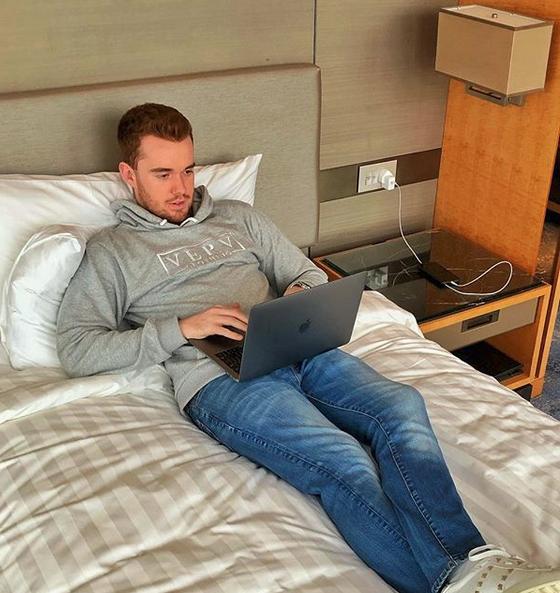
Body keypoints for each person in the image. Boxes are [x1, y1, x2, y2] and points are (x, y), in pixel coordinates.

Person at [57, 103, 560, 593]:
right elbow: (78, 349)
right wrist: (181, 328)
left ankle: (473, 569)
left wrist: (299, 293)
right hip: (220, 377)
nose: (181, 188)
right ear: (129, 174)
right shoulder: (112, 252)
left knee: (402, 406)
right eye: (163, 174)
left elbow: (305, 272)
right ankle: (464, 578)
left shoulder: (238, 218)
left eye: (188, 170)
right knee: (341, 459)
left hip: (297, 345)